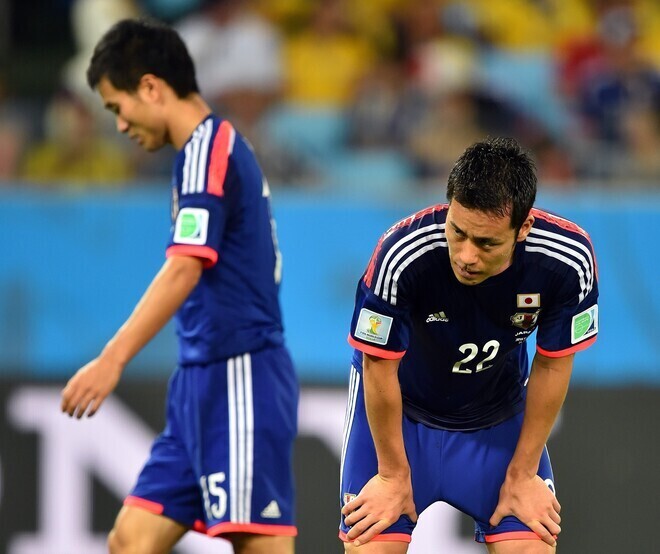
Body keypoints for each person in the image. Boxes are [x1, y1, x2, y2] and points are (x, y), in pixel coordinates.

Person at [60, 18, 298, 554]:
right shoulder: (201, 153)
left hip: (241, 375)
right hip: (199, 382)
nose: (119, 125)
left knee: (257, 545)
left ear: (150, 87)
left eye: (116, 107)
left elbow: (185, 267)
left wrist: (111, 359)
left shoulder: (208, 149)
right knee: (131, 539)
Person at [339, 137, 599, 553]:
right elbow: (377, 365)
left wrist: (524, 472)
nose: (465, 255)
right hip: (401, 422)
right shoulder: (401, 253)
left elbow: (552, 364)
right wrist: (390, 476)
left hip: (497, 421)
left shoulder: (567, 260)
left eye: (486, 243)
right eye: (457, 232)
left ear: (524, 228)